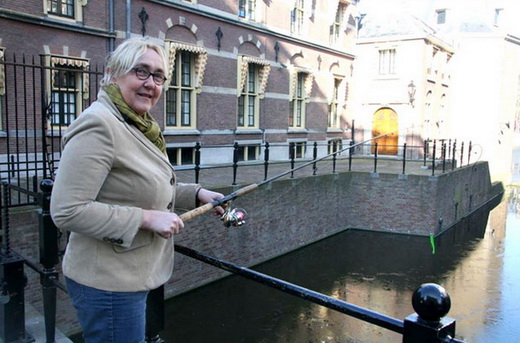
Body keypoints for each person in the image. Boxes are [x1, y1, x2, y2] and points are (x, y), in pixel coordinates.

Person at [50, 38, 225, 343]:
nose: (150, 84)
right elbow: (67, 210)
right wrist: (145, 218)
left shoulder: (137, 123)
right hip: (109, 283)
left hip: (130, 275)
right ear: (113, 74)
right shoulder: (99, 125)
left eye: (158, 76)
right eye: (140, 72)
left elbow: (140, 183)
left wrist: (195, 194)